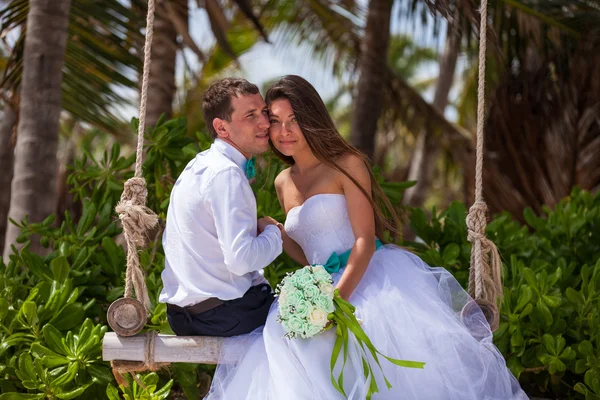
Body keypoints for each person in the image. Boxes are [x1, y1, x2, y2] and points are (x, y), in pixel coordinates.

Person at [205, 75, 528, 399]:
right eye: (275, 121)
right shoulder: (282, 182)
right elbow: (310, 252)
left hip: (368, 278)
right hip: (320, 285)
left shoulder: (347, 164)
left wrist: (335, 303)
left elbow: (363, 240)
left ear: (312, 120)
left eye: (294, 120)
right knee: (281, 341)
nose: (284, 131)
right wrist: (275, 230)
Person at [159, 78, 283, 337]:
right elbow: (241, 260)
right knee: (309, 324)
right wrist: (274, 232)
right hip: (220, 315)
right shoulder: (226, 174)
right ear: (221, 127)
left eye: (263, 112)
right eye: (250, 115)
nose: (264, 123)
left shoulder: (202, 164)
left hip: (183, 315)